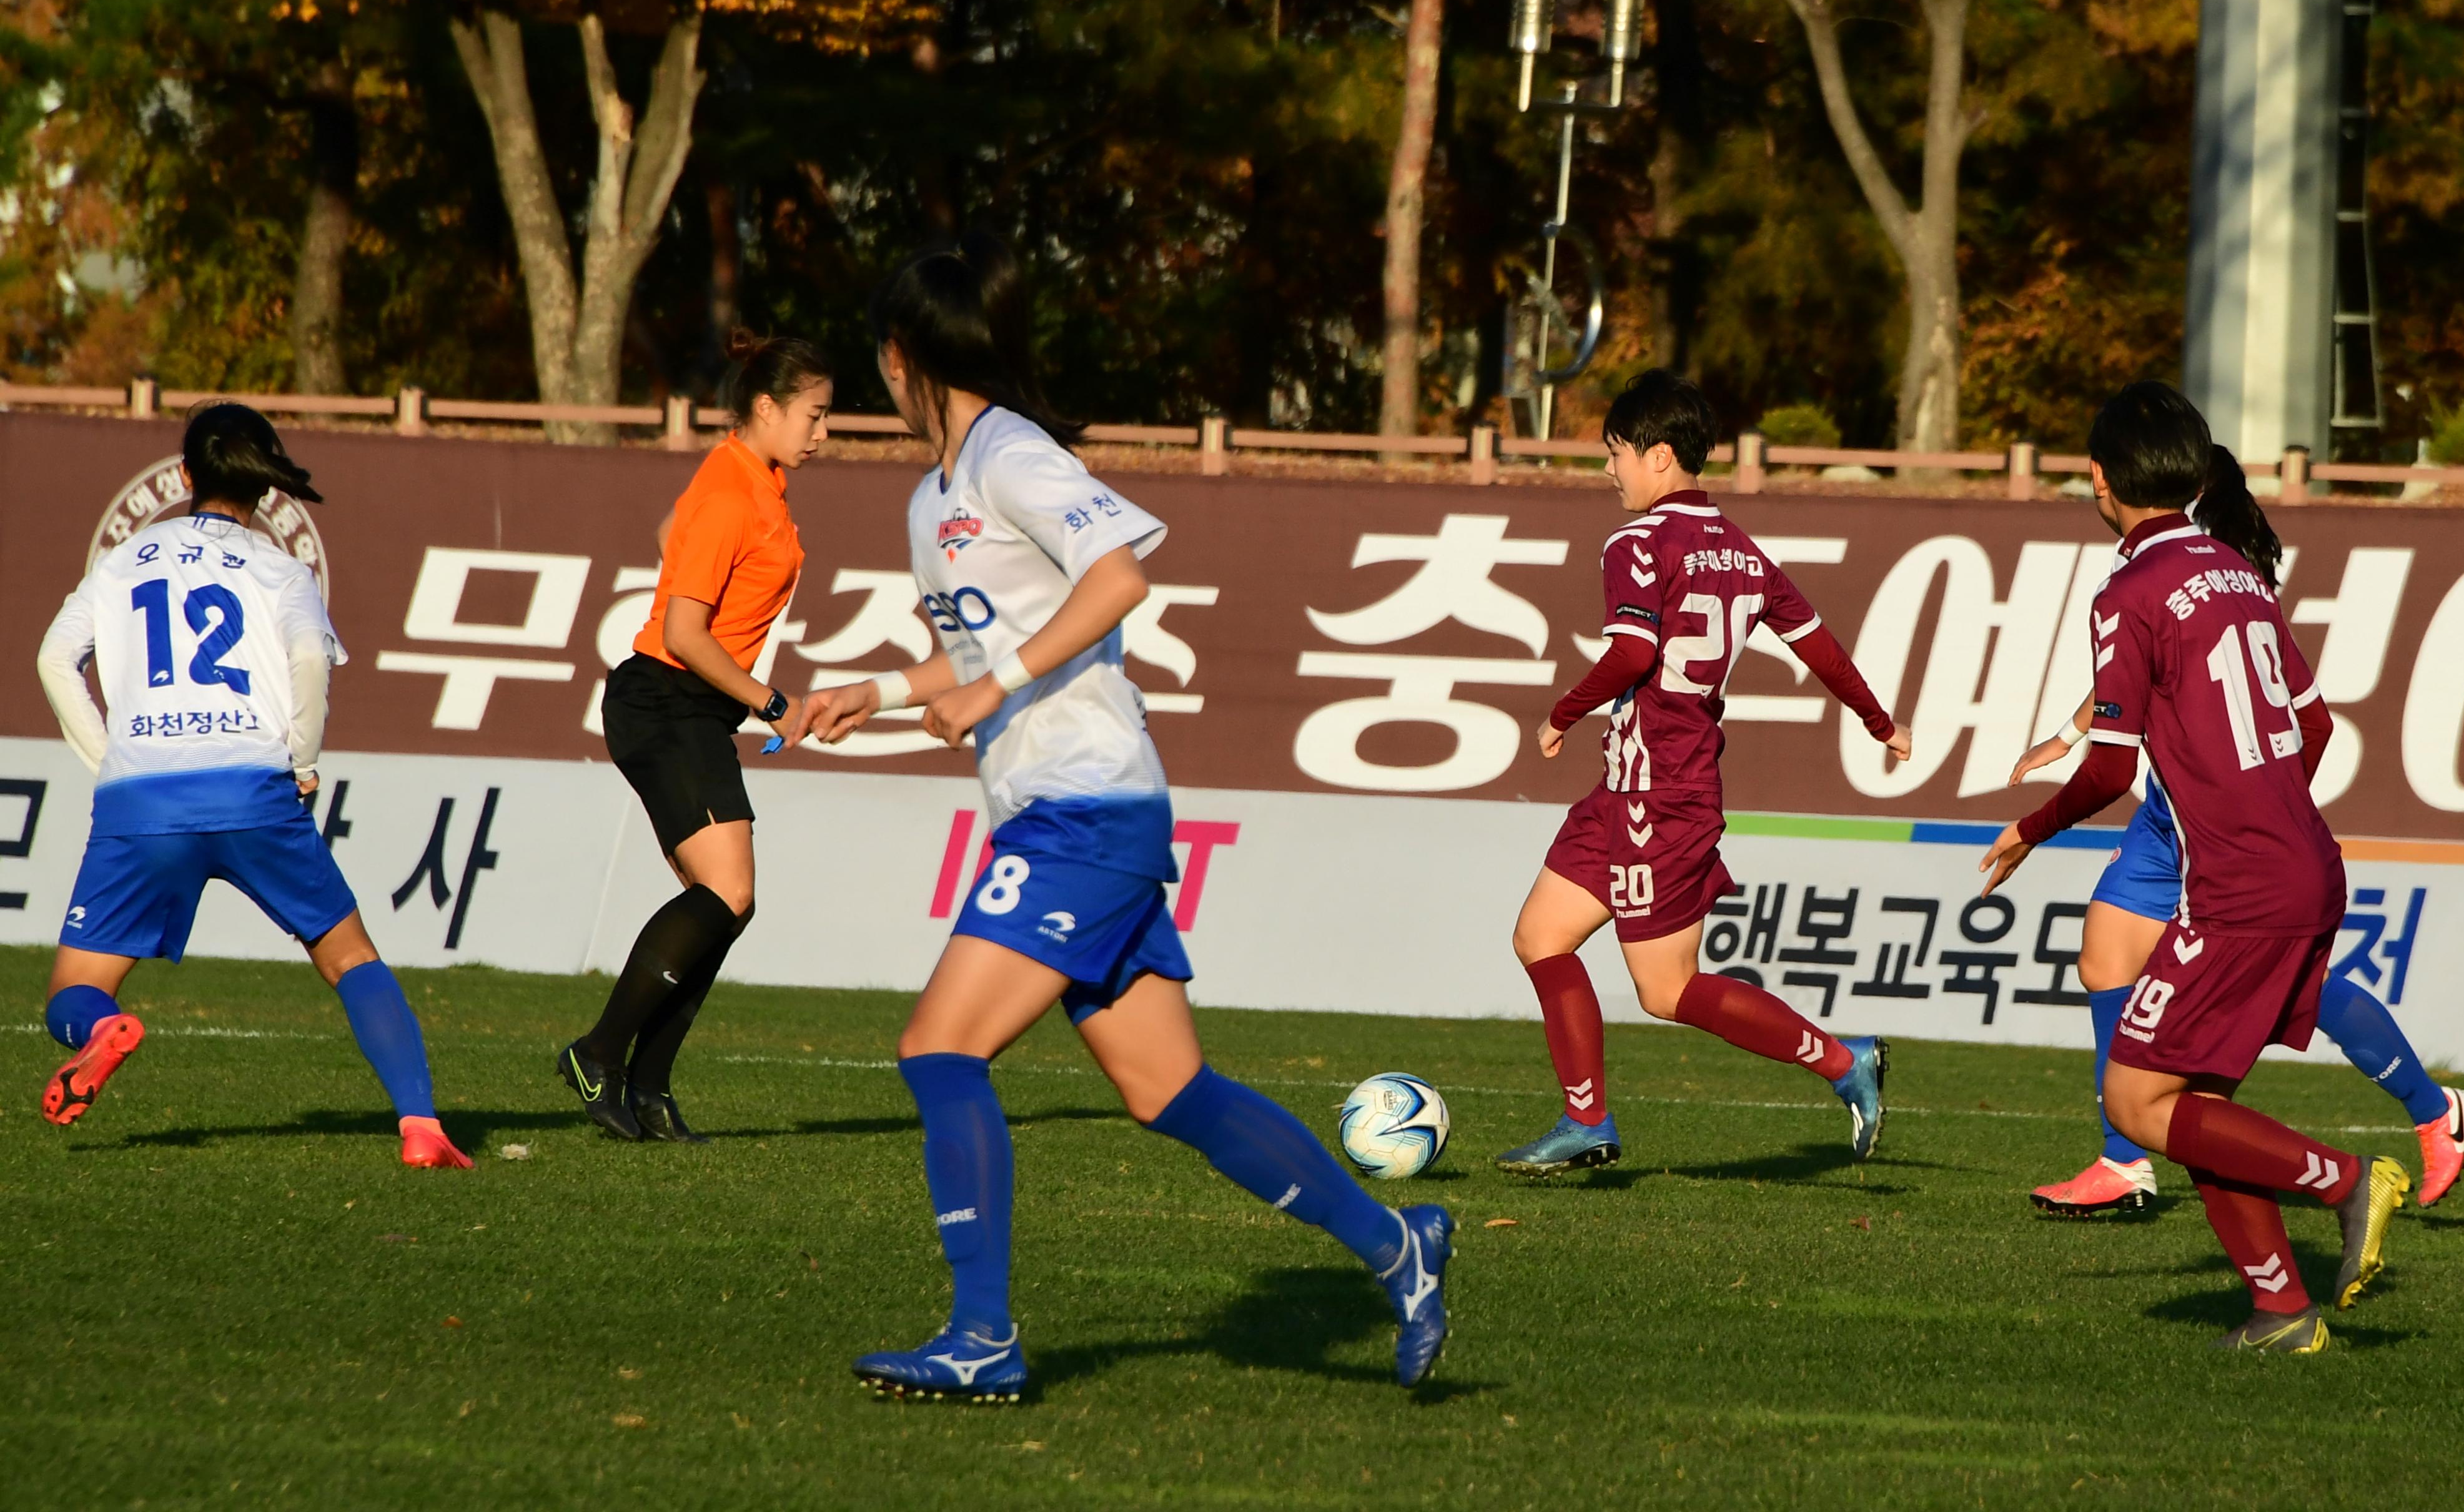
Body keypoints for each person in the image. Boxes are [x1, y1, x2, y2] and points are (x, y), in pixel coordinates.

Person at [802, 245, 1450, 1400]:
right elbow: (966, 654)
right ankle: (1402, 1247)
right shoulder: (929, 498)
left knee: (939, 1048)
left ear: (900, 360)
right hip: (1066, 812)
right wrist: (882, 691)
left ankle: (983, 1336)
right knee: (1168, 1091)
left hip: (1081, 806)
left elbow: (1116, 580)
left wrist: (988, 689)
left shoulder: (1009, 451)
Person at [1980, 382, 2407, 1356]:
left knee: (2135, 1102)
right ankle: (2281, 1311)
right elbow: (2316, 722)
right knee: (2190, 1106)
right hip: (2304, 858)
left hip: (2242, 885)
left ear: (2099, 480)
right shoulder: (2237, 573)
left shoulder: (2129, 591)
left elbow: (2108, 765)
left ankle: (2346, 1182)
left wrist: (2031, 829)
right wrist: (2261, 801)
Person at [2011, 468, 2464, 1218]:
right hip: (2171, 816)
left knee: (2293, 993)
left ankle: (2426, 1109)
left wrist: (2261, 806)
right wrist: (2068, 735)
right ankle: (2125, 1161)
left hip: (2214, 824)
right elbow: (2140, 672)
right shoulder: (2184, 568)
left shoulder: (2200, 564)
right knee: (2105, 956)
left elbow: (2275, 709)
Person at [1495, 371, 1914, 1174]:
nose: (1608, 471)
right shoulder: (1744, 552)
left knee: (1667, 990)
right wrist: (1878, 720)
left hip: (1661, 795)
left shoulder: (1637, 542)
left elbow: (1633, 652)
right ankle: (1587, 1121)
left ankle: (1842, 1060)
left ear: (1658, 456)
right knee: (1540, 936)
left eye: (1615, 454)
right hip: (1627, 790)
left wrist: (1561, 712)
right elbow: (1818, 646)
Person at [32, 404, 467, 1169]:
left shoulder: (126, 559)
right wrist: (303, 759)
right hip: (252, 792)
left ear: (187, 475)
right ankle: (422, 1126)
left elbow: (53, 659)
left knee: (76, 986)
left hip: (143, 800)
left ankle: (102, 1032)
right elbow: (308, 663)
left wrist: (112, 760)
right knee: (351, 959)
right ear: (265, 487)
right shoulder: (281, 568)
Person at [560, 332, 833, 1145]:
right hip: (668, 699)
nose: (823, 433)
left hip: (686, 707)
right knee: (729, 894)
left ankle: (646, 1090)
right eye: (814, 417)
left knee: (722, 907)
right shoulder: (734, 492)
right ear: (766, 408)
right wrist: (773, 701)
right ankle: (598, 1052)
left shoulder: (747, 477)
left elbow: (667, 534)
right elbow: (683, 630)